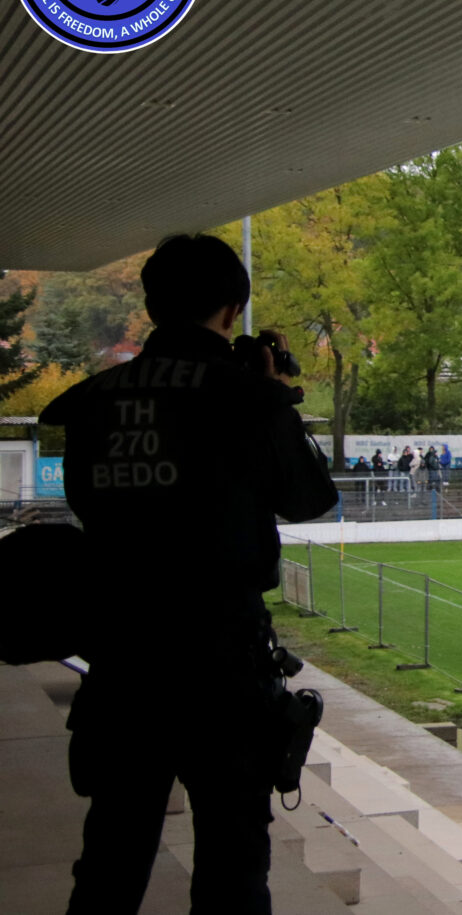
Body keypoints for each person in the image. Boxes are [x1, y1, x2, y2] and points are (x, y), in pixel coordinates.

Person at [40, 234, 337, 914]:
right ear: (233, 310)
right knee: (233, 870)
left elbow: (90, 500)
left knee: (111, 861)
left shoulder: (94, 400)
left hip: (123, 658)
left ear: (150, 305)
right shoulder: (245, 397)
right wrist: (271, 396)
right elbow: (310, 497)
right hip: (222, 664)